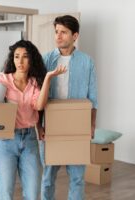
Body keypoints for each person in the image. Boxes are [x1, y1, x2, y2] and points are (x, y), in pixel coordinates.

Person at [0, 40, 66, 200]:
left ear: (31, 59)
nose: (20, 61)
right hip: (6, 142)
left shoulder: (34, 83)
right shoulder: (2, 80)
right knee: (6, 195)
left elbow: (39, 106)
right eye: (17, 57)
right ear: (13, 59)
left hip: (30, 141)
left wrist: (47, 78)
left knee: (32, 194)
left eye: (25, 57)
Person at [38, 15, 98, 200]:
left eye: (63, 32)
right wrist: (38, 126)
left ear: (75, 35)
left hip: (77, 127)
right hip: (50, 127)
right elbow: (37, 96)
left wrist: (91, 125)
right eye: (56, 32)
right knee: (47, 178)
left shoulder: (87, 62)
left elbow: (93, 99)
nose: (58, 36)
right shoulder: (45, 60)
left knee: (78, 178)